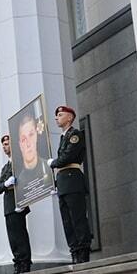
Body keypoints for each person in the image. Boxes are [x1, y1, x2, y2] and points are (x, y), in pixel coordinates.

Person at [49, 105, 93, 264]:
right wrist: (55, 184)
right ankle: (74, 250)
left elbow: (67, 157)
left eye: (60, 115)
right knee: (67, 220)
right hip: (63, 182)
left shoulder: (75, 135)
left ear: (70, 117)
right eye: (56, 115)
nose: (56, 118)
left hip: (73, 180)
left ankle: (83, 251)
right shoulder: (63, 137)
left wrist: (53, 163)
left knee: (78, 218)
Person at [0, 134, 31, 273]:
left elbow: (26, 178)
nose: (5, 147)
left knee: (20, 235)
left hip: (18, 202)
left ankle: (25, 262)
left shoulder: (21, 162)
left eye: (7, 143)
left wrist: (24, 201)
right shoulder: (5, 167)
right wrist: (5, 183)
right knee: (13, 237)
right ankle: (17, 261)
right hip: (9, 205)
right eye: (3, 145)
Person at [16, 113, 53, 187]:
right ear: (20, 145)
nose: (28, 143)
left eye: (31, 135)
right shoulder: (18, 181)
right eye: (23, 139)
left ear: (36, 136)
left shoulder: (48, 168)